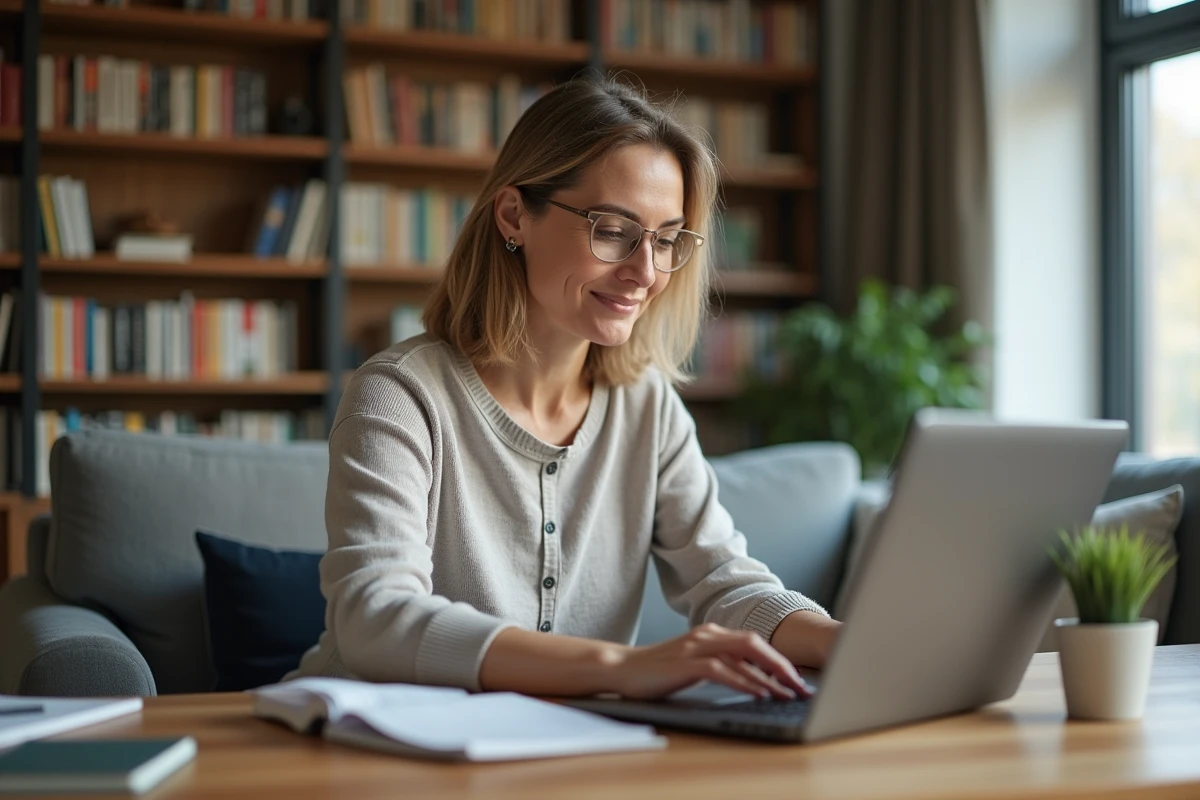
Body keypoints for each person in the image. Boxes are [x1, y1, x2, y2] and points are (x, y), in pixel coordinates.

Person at [291, 76, 841, 701]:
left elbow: (725, 583)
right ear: (514, 216)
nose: (645, 271)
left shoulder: (647, 406)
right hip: (372, 744)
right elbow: (374, 619)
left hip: (564, 750)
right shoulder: (400, 397)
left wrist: (851, 641)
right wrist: (620, 668)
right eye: (613, 229)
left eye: (666, 240)